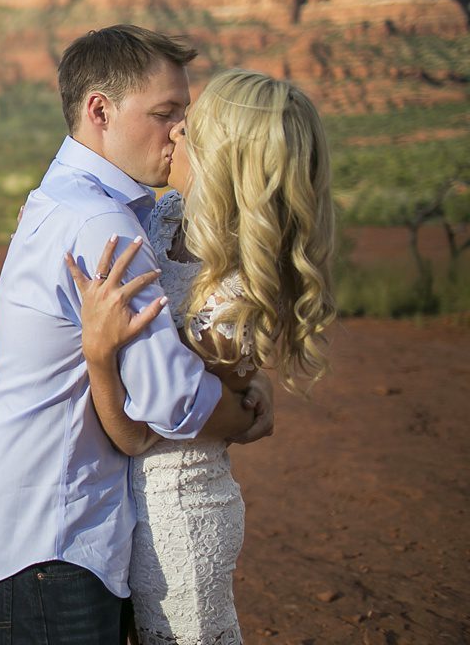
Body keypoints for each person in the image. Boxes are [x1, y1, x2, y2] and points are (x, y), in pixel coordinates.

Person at [0, 26, 274, 644]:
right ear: (99, 110)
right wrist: (246, 418)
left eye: (185, 114)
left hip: (46, 527)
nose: (181, 132)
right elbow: (171, 400)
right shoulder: (97, 218)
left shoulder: (80, 201)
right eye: (165, 113)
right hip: (55, 537)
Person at [65, 68, 337, 644]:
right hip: (128, 511)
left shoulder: (230, 295)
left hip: (178, 517)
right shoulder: (167, 219)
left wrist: (98, 354)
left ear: (221, 161)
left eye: (189, 129)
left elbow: (137, 435)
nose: (173, 133)